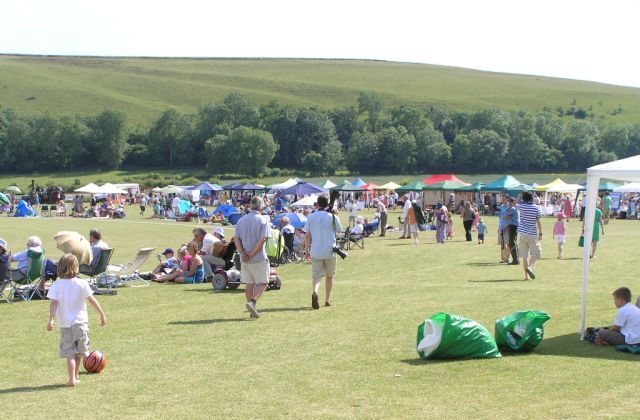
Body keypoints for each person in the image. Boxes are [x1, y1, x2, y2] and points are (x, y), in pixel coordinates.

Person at [47, 254, 107, 387]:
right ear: (76, 267)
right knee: (79, 353)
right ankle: (76, 376)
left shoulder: (57, 285)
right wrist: (101, 314)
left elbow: (54, 303)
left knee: (70, 354)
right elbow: (91, 300)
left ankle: (72, 379)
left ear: (60, 268)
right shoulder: (82, 283)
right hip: (80, 323)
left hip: (65, 324)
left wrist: (51, 319)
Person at [304, 194, 343, 309]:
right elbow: (339, 230)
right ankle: (327, 299)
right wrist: (336, 215)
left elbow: (307, 236)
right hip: (330, 250)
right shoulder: (331, 216)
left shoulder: (311, 216)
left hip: (316, 250)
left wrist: (306, 251)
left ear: (318, 203)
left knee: (316, 276)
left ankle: (315, 291)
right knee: (329, 276)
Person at [234, 196, 270, 319]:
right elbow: (262, 239)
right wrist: (252, 253)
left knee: (249, 283)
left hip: (244, 258)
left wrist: (242, 252)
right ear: (261, 206)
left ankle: (252, 310)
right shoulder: (263, 220)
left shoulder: (241, 220)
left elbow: (236, 239)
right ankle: (252, 302)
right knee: (263, 282)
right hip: (258, 257)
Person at [517, 191, 543, 280]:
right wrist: (540, 233)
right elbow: (538, 222)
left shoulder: (521, 206)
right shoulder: (536, 208)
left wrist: (519, 195)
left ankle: (526, 276)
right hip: (532, 234)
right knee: (536, 253)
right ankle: (530, 267)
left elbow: (514, 203)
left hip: (522, 234)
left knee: (524, 256)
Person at [505, 197, 519, 265]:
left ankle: (515, 260)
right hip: (511, 226)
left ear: (513, 202)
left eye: (510, 202)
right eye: (508, 202)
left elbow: (507, 217)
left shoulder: (513, 209)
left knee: (512, 243)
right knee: (512, 242)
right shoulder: (510, 209)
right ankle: (515, 259)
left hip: (513, 226)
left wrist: (506, 214)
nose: (509, 203)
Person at [498, 194, 510, 263]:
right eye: (502, 198)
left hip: (507, 227)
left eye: (504, 198)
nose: (502, 200)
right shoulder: (501, 207)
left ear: (507, 199)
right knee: (502, 243)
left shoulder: (509, 207)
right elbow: (500, 217)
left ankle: (507, 258)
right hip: (501, 226)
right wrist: (499, 226)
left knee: (507, 243)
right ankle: (504, 258)